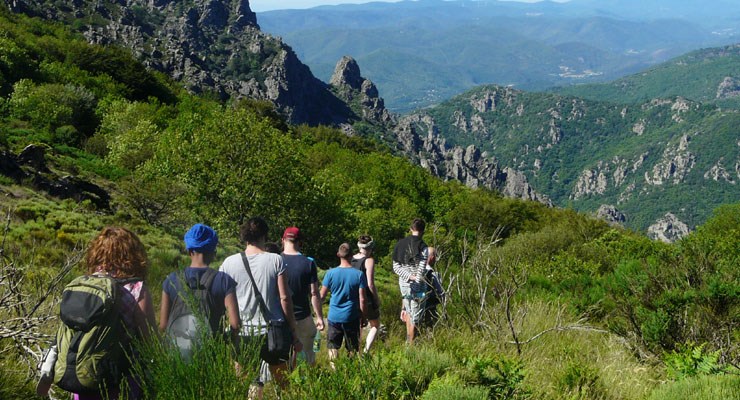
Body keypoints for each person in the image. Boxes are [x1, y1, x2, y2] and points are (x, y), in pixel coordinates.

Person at [219, 217, 302, 398]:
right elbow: (284, 298)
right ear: (265, 235)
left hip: (242, 333)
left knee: (250, 384)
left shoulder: (228, 263)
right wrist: (294, 332)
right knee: (283, 385)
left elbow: (222, 298)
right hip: (274, 332)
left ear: (244, 236)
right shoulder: (275, 260)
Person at [77, 227, 156, 400]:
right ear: (133, 253)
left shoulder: (83, 284)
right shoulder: (137, 289)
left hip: (83, 376)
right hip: (123, 380)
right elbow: (150, 341)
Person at [159, 224, 240, 356]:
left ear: (189, 251)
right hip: (211, 354)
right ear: (214, 252)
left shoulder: (171, 280)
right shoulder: (224, 280)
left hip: (177, 355)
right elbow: (235, 324)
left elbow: (163, 325)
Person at [281, 226, 324, 365]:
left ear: (283, 240)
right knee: (307, 354)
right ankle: (306, 382)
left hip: (280, 316)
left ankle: (283, 384)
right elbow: (314, 293)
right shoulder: (309, 262)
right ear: (300, 242)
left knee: (282, 356)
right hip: (302, 316)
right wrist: (319, 317)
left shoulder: (275, 260)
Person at [320, 243, 367, 366]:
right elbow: (362, 299)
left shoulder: (330, 273)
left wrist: (317, 313)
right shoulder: (359, 274)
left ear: (338, 255)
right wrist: (363, 316)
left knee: (332, 346)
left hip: (334, 316)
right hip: (351, 316)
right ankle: (350, 370)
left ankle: (335, 372)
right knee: (352, 348)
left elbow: (321, 296)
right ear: (352, 255)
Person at [392, 218, 432, 344]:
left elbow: (396, 267)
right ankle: (411, 345)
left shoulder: (400, 244)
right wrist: (415, 278)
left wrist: (408, 276)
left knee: (409, 311)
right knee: (416, 316)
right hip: (418, 285)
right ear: (423, 231)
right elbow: (421, 267)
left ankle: (408, 342)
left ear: (411, 229)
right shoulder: (423, 247)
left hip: (403, 283)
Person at [351, 235, 381, 353]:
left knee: (356, 326)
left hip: (352, 296)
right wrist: (376, 299)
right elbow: (370, 284)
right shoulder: (369, 260)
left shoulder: (351, 258)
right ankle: (365, 351)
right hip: (365, 297)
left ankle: (354, 351)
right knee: (375, 324)